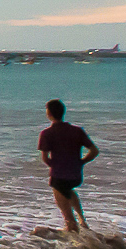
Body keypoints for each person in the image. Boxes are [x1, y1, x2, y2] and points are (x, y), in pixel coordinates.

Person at [38, 100, 99, 235]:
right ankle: (82, 219)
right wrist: (81, 162)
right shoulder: (77, 131)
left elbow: (45, 158)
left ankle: (75, 238)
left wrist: (56, 166)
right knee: (69, 190)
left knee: (68, 218)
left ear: (49, 114)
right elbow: (94, 151)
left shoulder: (47, 133)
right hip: (76, 175)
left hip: (59, 176)